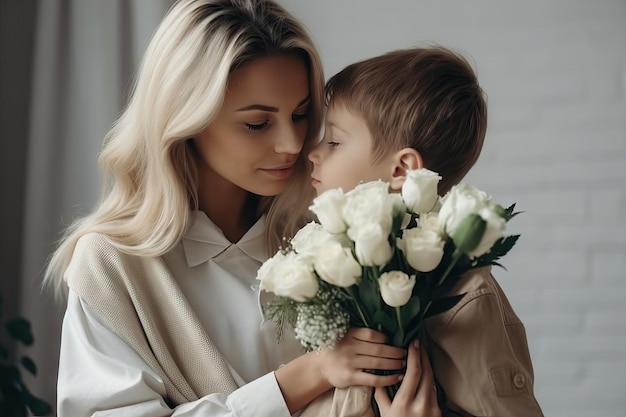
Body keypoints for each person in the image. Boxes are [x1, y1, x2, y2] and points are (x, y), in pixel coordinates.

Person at [43, 1, 441, 416]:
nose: (292, 143)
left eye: (302, 114)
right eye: (257, 123)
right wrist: (309, 374)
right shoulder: (113, 264)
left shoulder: (343, 234)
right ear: (185, 118)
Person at [307, 46, 545, 417]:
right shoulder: (333, 259)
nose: (313, 152)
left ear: (401, 170)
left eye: (334, 141)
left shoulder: (461, 290)